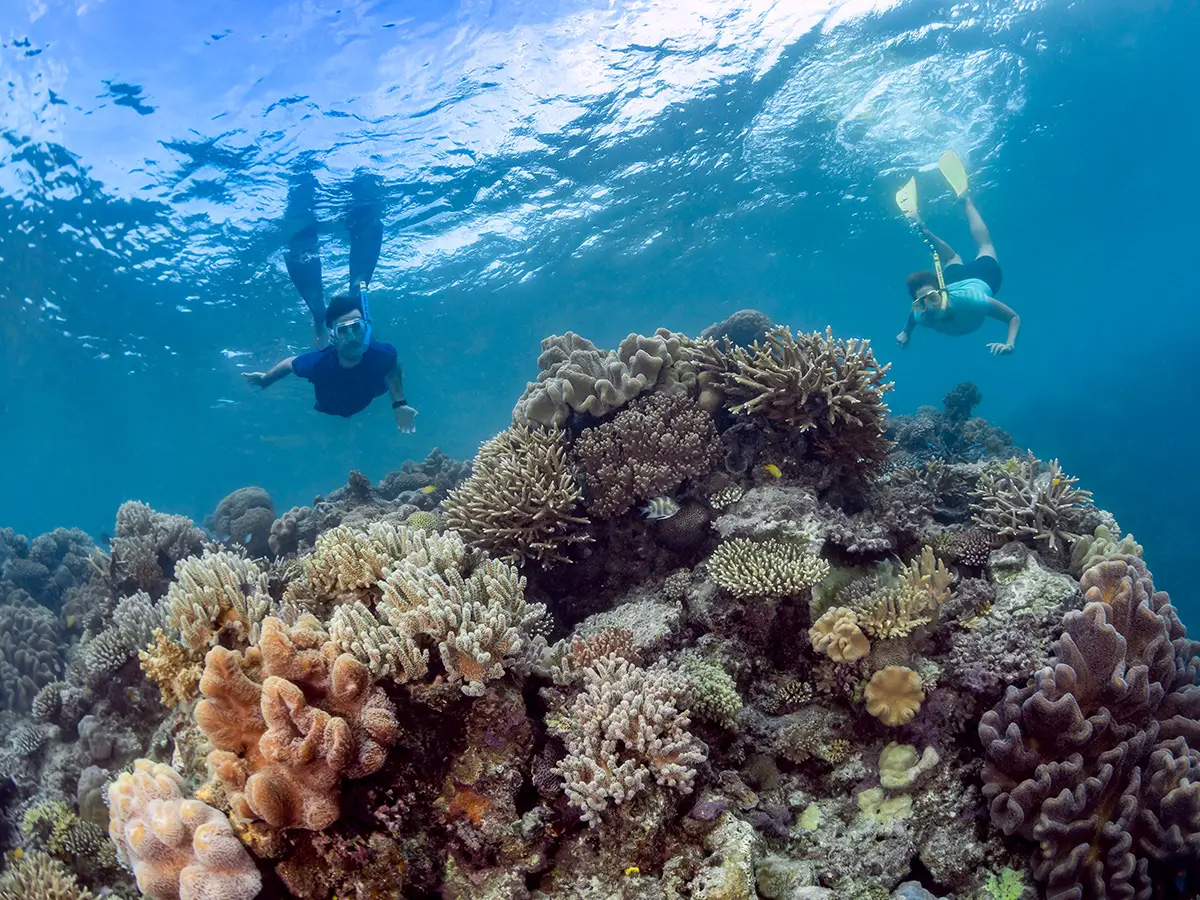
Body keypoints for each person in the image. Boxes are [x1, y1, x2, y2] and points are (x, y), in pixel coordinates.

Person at [242, 173, 417, 432]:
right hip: (333, 385)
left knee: (366, 332)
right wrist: (266, 379)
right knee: (321, 323)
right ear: (336, 337)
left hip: (361, 379)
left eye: (356, 328)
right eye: (344, 331)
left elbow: (393, 366)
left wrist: (399, 404)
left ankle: (335, 306)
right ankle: (320, 316)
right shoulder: (320, 365)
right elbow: (290, 363)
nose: (352, 336)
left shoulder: (382, 354)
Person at [896, 194, 1020, 356]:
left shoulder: (972, 300)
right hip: (953, 282)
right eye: (921, 303)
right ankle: (926, 231)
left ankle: (966, 201)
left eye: (932, 297)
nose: (929, 307)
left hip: (982, 277)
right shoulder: (922, 315)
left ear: (942, 292)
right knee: (952, 258)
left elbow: (1012, 317)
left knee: (985, 246)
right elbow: (913, 316)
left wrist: (1009, 343)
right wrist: (906, 332)